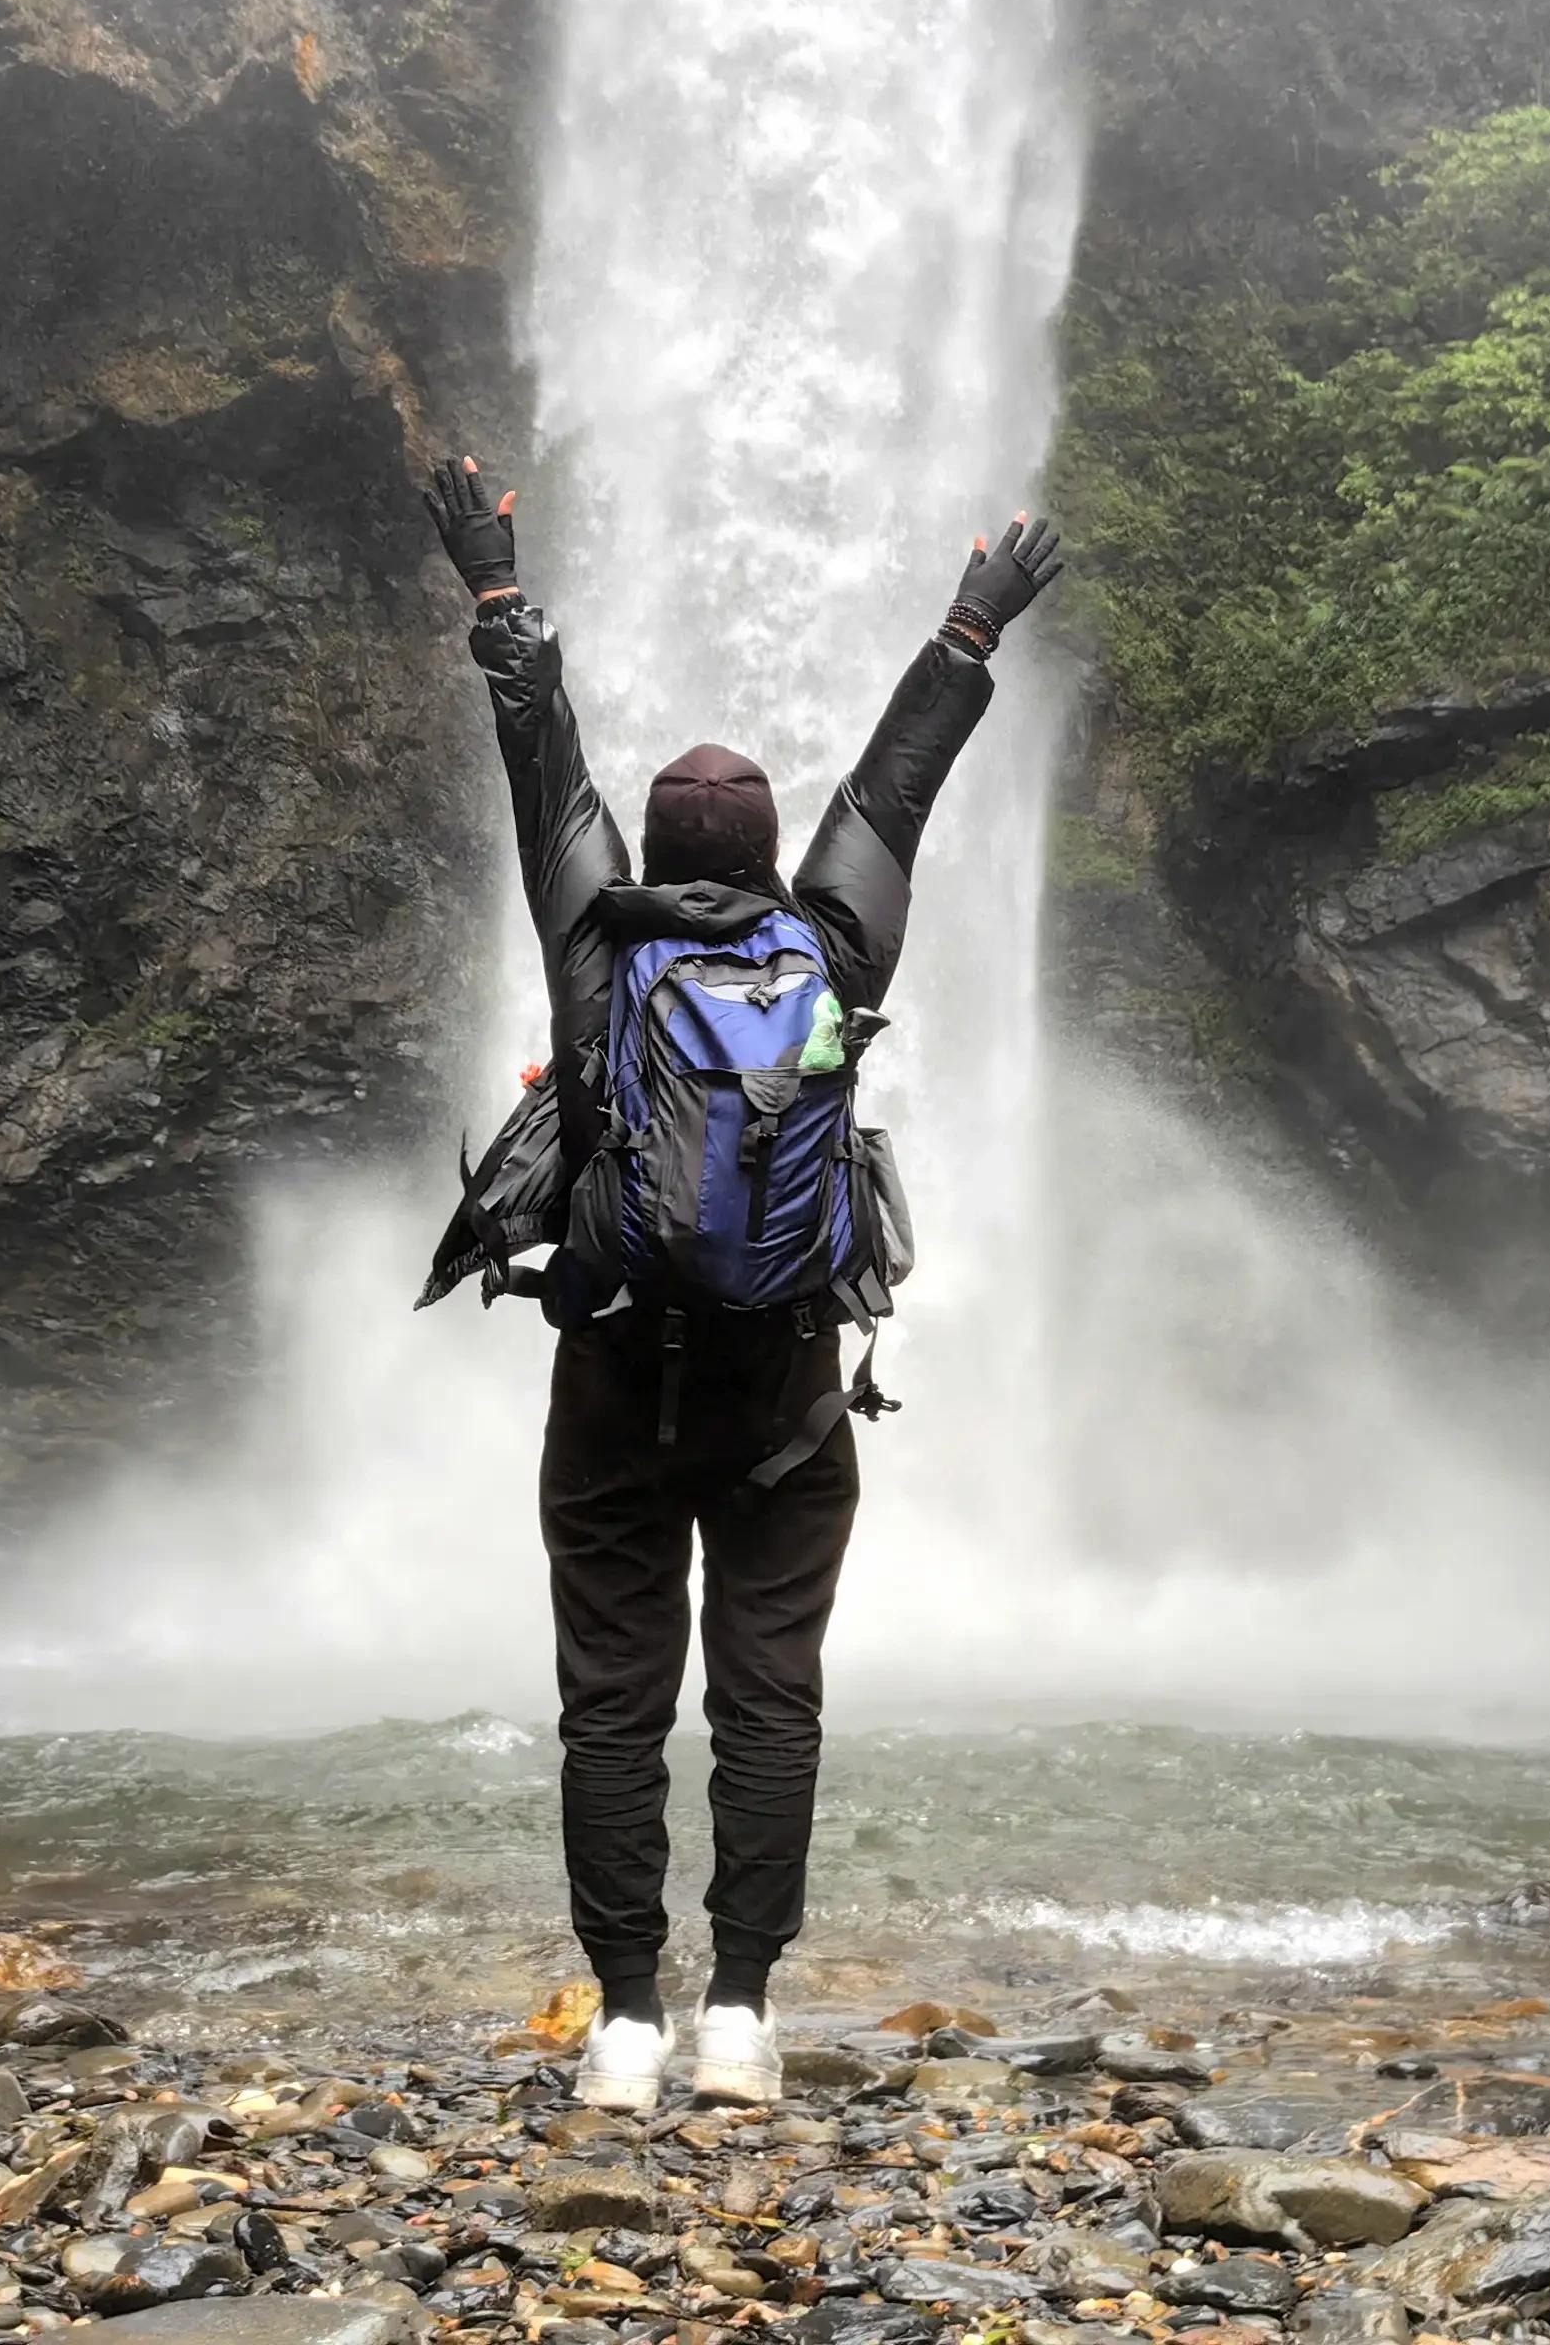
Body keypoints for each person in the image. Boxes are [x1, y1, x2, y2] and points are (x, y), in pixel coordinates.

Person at [419, 454, 1062, 2112]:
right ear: (776, 852)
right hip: (786, 1394)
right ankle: (742, 2018)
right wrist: (970, 628)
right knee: (771, 1703)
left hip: (614, 1383)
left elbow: (543, 773)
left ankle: (625, 2025)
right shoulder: (830, 948)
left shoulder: (597, 947)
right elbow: (895, 796)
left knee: (612, 1708)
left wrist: (497, 589)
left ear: (649, 844)